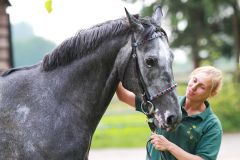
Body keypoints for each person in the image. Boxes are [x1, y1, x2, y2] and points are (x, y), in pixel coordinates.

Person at [116, 66, 223, 160]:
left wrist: (169, 146)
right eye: (194, 80)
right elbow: (124, 96)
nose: (193, 87)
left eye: (202, 87)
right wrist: (113, 72)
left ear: (212, 93)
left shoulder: (211, 125)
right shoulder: (166, 103)